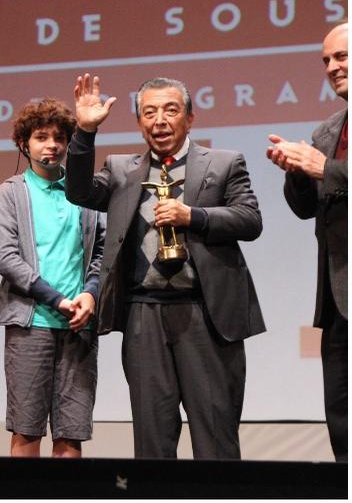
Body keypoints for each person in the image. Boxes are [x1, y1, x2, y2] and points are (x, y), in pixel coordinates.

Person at [65, 74, 265, 460]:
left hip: (206, 316)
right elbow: (79, 192)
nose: (160, 120)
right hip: (144, 315)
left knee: (215, 437)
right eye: (149, 112)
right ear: (140, 122)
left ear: (190, 118)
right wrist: (85, 133)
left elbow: (249, 219)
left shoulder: (222, 163)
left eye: (171, 110)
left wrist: (194, 215)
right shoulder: (122, 169)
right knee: (152, 442)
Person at [0, 98, 105, 458]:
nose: (52, 145)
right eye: (41, 137)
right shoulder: (13, 190)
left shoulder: (86, 191)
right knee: (27, 430)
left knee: (71, 434)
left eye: (60, 137)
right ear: (24, 144)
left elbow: (102, 252)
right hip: (32, 322)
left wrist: (89, 294)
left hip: (78, 324)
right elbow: (6, 256)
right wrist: (56, 299)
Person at [266, 22, 348, 462]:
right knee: (341, 414)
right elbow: (306, 209)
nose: (333, 67)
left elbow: (331, 177)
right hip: (338, 300)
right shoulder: (327, 131)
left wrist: (326, 170)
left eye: (341, 57)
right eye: (326, 61)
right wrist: (296, 172)